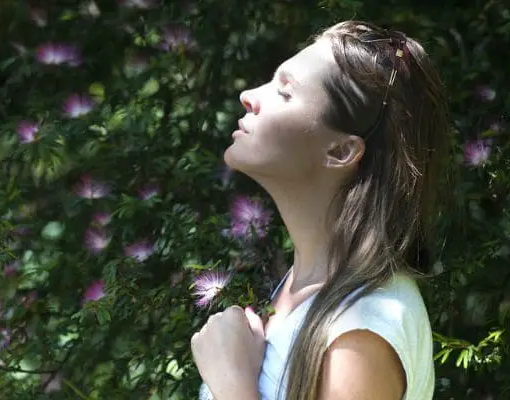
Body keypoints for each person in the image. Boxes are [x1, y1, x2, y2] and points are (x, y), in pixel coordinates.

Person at [191, 20, 448, 400]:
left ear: (341, 151)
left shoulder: (362, 329)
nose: (248, 95)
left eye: (285, 92)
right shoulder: (302, 292)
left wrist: (232, 383)